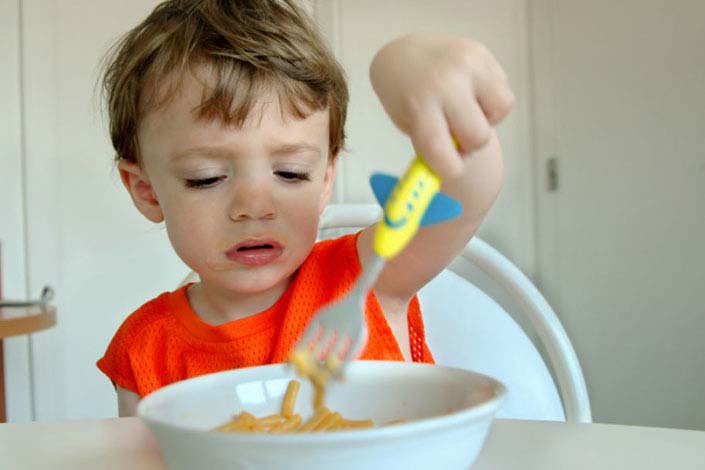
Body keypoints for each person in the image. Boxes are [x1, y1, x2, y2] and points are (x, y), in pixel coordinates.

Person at [97, 0, 513, 417]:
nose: (255, 206)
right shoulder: (144, 350)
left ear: (324, 180)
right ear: (147, 191)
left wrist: (404, 62)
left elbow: (467, 190)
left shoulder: (367, 279)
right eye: (206, 177)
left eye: (291, 173)